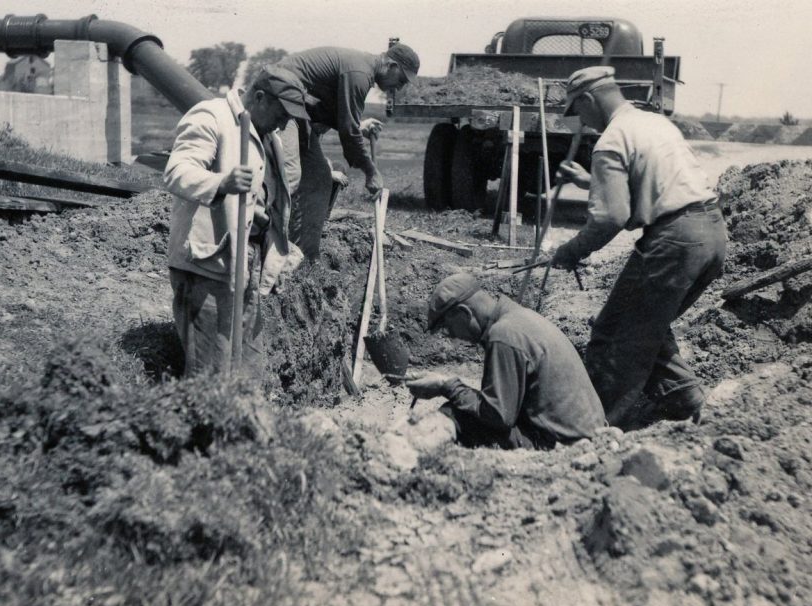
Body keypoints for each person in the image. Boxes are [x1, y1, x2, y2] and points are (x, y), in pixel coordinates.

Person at [552, 66, 727, 428]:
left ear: (587, 100)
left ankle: (591, 428)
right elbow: (652, 186)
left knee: (614, 336)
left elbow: (610, 218)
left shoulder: (612, 139)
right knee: (646, 324)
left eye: (576, 111)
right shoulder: (653, 123)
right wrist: (593, 181)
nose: (579, 122)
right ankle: (693, 408)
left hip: (675, 241)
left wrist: (572, 251)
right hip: (710, 232)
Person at [164, 66, 308, 376]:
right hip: (208, 265)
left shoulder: (270, 137)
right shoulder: (211, 116)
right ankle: (204, 425)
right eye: (283, 113)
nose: (286, 122)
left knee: (248, 372)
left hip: (245, 263)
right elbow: (177, 172)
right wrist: (222, 183)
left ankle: (240, 423)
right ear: (259, 97)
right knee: (210, 376)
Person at [403, 273, 605, 450]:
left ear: (465, 313)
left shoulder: (503, 334)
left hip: (562, 446)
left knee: (456, 416)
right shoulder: (519, 318)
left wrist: (445, 386)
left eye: (448, 327)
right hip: (589, 436)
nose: (452, 335)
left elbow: (498, 416)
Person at [275, 43, 420, 258]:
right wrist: (371, 171)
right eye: (400, 81)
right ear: (391, 65)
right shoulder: (360, 73)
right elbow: (347, 131)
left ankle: (304, 257)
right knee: (290, 176)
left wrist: (357, 125)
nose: (398, 88)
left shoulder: (362, 71)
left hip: (300, 109)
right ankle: (268, 251)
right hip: (279, 98)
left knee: (319, 177)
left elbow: (338, 116)